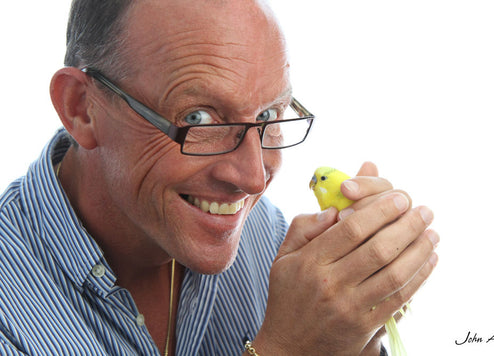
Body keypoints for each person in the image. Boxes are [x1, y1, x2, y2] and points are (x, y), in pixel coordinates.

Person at [0, 0, 439, 355]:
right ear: (82, 108)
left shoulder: (264, 236)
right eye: (198, 117)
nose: (251, 179)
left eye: (269, 114)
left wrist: (353, 339)